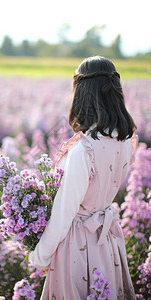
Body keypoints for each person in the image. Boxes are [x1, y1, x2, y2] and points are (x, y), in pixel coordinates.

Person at [29, 56, 138, 299]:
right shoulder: (125, 141)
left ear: (82, 93)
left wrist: (40, 254)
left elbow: (64, 212)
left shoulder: (83, 150)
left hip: (78, 246)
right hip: (108, 244)